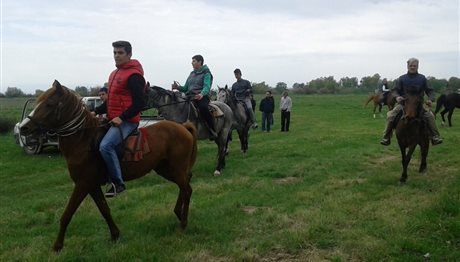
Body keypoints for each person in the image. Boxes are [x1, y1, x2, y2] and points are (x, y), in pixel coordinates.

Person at [99, 41, 145, 197]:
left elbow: (140, 103)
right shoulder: (114, 74)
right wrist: (94, 111)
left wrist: (122, 117)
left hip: (128, 121)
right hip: (115, 119)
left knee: (105, 146)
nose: (116, 56)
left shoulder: (134, 76)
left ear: (129, 55)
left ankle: (117, 183)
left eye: (120, 53)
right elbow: (111, 102)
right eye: (114, 53)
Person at [380, 58, 442, 146]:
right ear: (407, 66)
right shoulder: (402, 78)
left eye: (414, 66)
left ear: (417, 66)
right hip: (404, 104)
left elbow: (430, 91)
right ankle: (386, 137)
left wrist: (430, 99)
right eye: (411, 66)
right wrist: (397, 97)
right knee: (390, 115)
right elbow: (394, 90)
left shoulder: (422, 78)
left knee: (430, 115)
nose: (412, 67)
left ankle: (435, 136)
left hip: (419, 104)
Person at [172, 55, 217, 139]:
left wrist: (201, 94)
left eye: (194, 61)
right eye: (192, 61)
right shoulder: (192, 73)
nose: (192, 63)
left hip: (201, 97)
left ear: (200, 62)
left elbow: (207, 86)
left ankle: (212, 130)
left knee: (203, 108)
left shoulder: (207, 73)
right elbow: (185, 88)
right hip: (189, 97)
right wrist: (177, 87)